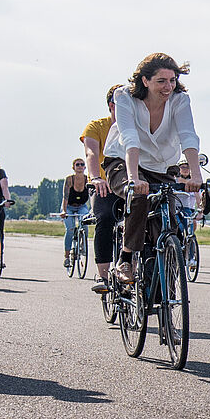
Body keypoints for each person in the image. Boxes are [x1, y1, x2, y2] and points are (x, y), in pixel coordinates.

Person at [102, 53, 202, 283]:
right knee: (140, 197)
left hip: (162, 166)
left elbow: (188, 136)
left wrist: (196, 176)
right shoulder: (124, 96)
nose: (168, 87)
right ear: (145, 81)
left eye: (172, 80)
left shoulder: (179, 100)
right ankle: (125, 259)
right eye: (161, 81)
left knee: (169, 218)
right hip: (123, 162)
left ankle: (165, 278)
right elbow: (129, 137)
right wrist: (133, 178)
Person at [82, 84, 122, 293]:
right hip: (104, 186)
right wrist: (96, 178)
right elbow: (90, 153)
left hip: (130, 185)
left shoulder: (139, 126)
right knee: (105, 217)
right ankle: (104, 274)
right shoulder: (96, 126)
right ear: (111, 106)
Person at [60, 158, 92, 267]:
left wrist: (92, 210)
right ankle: (67, 257)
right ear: (73, 167)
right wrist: (64, 211)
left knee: (85, 223)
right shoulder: (69, 180)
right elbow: (65, 196)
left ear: (85, 167)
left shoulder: (88, 179)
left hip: (81, 206)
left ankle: (82, 246)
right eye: (77, 164)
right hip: (69, 206)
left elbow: (92, 196)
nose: (80, 166)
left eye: (82, 164)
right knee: (70, 229)